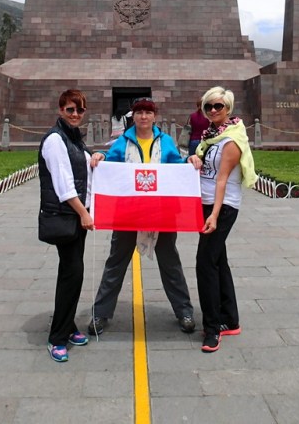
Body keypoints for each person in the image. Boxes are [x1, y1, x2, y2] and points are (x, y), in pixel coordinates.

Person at [88, 97, 198, 336]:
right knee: (116, 263)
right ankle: (100, 313)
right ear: (133, 116)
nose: (144, 116)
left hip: (161, 212)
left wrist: (189, 160)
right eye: (139, 112)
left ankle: (184, 311)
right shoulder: (123, 141)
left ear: (154, 116)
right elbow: (111, 161)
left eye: (148, 112)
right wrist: (101, 157)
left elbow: (176, 166)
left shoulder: (165, 141)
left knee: (170, 263)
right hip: (128, 213)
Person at [192, 85, 257, 354]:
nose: (213, 110)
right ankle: (230, 319)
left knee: (205, 263)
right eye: (208, 106)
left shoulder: (231, 141)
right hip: (207, 203)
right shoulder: (211, 136)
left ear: (228, 108)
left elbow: (222, 180)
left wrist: (215, 215)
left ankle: (212, 329)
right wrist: (193, 157)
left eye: (218, 106)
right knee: (218, 260)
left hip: (223, 207)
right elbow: (205, 164)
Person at [38, 89, 94, 363]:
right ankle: (57, 337)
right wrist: (84, 212)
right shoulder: (55, 140)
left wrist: (97, 157)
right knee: (72, 274)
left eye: (79, 110)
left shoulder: (73, 138)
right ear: (61, 110)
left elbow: (84, 169)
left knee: (71, 272)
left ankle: (68, 326)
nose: (75, 114)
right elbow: (64, 185)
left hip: (74, 216)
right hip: (66, 215)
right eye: (70, 109)